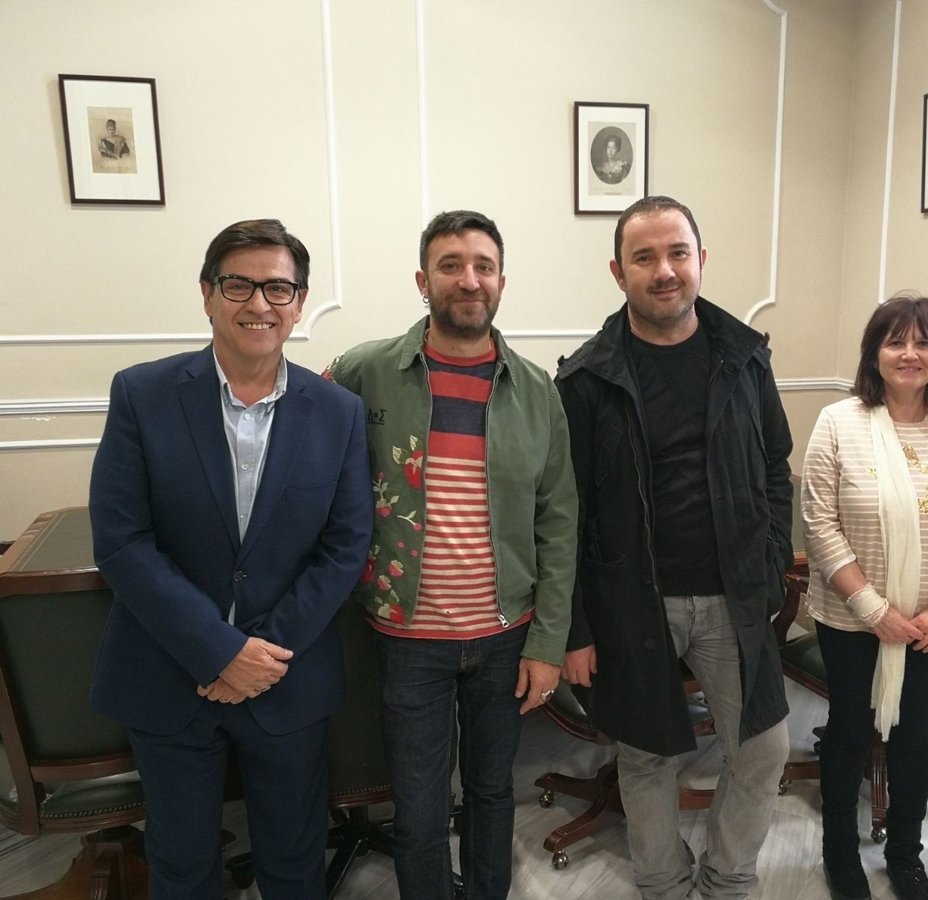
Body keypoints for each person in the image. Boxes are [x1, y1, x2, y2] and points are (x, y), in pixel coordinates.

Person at [89, 219, 374, 898]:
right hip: (170, 673)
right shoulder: (142, 394)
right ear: (208, 294)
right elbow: (122, 540)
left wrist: (258, 655)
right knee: (182, 867)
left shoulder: (338, 411)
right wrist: (219, 650)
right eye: (239, 285)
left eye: (278, 288)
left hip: (286, 676)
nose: (259, 304)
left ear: (299, 304)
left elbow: (344, 546)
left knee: (295, 865)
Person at [323, 209, 577, 900]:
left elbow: (559, 523)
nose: (469, 280)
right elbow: (308, 463)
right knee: (419, 807)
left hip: (506, 635)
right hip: (408, 637)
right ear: (422, 280)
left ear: (501, 282)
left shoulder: (536, 391)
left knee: (493, 791)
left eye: (483, 266)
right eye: (451, 265)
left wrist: (548, 643)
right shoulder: (364, 372)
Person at [556, 195, 794, 900]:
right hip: (632, 602)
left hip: (732, 596)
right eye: (645, 257)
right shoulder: (586, 378)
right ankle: (662, 884)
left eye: (677, 253)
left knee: (763, 748)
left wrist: (771, 561)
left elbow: (774, 465)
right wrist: (576, 627)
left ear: (700, 260)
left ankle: (726, 880)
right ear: (618, 272)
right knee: (646, 756)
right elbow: (564, 513)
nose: (664, 270)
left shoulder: (745, 357)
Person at [800, 295, 928, 900]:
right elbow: (819, 521)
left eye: (923, 342)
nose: (910, 354)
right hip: (853, 619)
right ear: (874, 353)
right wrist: (874, 611)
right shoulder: (840, 421)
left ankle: (905, 854)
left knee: (915, 737)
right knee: (849, 733)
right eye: (895, 341)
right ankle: (840, 852)